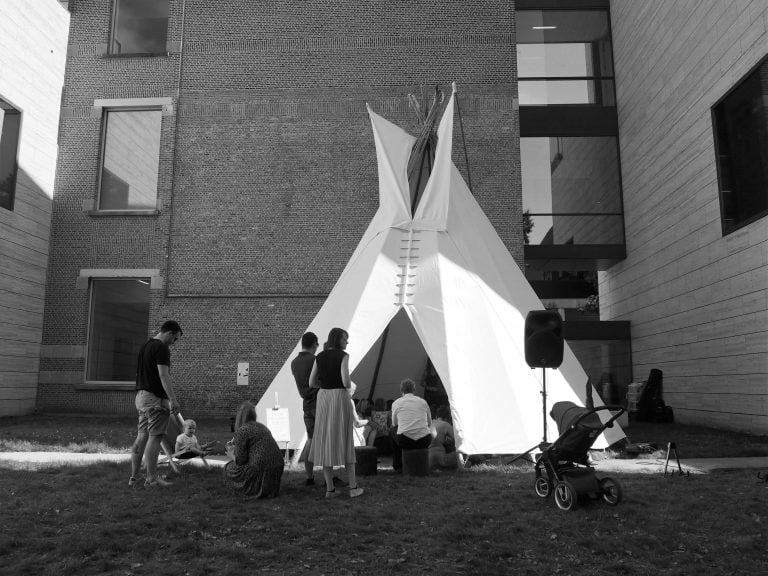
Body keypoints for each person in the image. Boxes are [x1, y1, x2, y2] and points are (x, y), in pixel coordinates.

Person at [308, 327, 364, 498]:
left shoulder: (319, 356)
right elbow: (346, 381)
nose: (347, 342)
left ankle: (330, 489)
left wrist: (325, 386)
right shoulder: (343, 356)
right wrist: (346, 386)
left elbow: (311, 382)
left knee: (325, 440)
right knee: (345, 439)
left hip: (324, 397)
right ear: (338, 339)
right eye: (345, 339)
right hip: (339, 397)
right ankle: (353, 488)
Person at [129, 320, 183, 488]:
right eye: (175, 339)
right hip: (155, 399)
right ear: (170, 333)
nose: (174, 343)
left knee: (141, 436)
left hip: (141, 397)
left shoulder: (145, 346)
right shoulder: (161, 348)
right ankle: (151, 479)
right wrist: (173, 399)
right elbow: (163, 375)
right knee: (156, 437)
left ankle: (134, 476)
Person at [223, 401, 284, 498]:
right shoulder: (262, 426)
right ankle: (269, 490)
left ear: (239, 416)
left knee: (228, 468)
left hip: (260, 468)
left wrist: (231, 454)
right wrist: (236, 447)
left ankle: (251, 490)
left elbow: (241, 461)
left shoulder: (242, 430)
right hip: (277, 466)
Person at [291, 331, 320, 486]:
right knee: (324, 439)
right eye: (317, 345)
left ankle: (309, 476)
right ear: (314, 344)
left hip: (307, 404)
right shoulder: (315, 360)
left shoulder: (294, 363)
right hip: (319, 402)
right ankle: (330, 478)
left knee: (311, 439)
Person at [390, 378, 433, 472]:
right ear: (414, 390)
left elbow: (394, 424)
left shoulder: (396, 403)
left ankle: (398, 466)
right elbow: (430, 423)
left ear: (401, 390)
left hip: (405, 441)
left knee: (392, 430)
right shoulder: (423, 402)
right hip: (424, 440)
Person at [428, 405, 459, 470]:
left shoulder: (430, 424)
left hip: (428, 459)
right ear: (448, 417)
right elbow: (458, 440)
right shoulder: (445, 424)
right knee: (462, 453)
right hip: (441, 457)